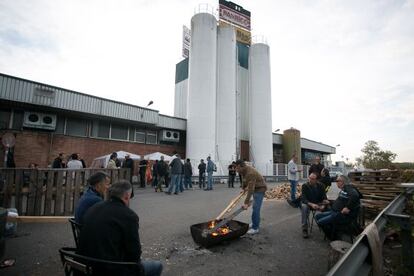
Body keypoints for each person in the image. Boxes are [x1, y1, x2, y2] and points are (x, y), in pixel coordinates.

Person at [78, 180, 163, 276]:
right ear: (126, 196)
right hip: (107, 270)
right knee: (157, 266)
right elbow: (134, 253)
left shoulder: (94, 208)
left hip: (82, 267)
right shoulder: (128, 215)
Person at [315, 175, 361, 240]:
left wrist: (348, 207)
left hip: (341, 215)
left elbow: (355, 195)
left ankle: (333, 237)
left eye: (337, 181)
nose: (336, 182)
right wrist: (329, 202)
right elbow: (340, 202)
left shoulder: (348, 188)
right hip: (334, 211)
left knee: (320, 222)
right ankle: (334, 232)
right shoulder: (343, 190)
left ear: (342, 182)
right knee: (317, 216)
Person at [235, 159, 267, 235]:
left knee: (256, 208)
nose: (236, 169)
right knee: (254, 207)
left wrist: (246, 203)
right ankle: (254, 223)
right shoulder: (243, 171)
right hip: (255, 187)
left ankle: (255, 228)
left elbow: (251, 189)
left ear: (240, 166)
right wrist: (243, 189)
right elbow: (244, 180)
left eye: (236, 168)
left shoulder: (250, 173)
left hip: (260, 189)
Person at [300, 173, 329, 238]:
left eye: (312, 179)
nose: (310, 180)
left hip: (318, 203)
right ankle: (304, 229)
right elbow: (303, 198)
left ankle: (327, 227)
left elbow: (324, 198)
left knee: (329, 207)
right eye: (309, 178)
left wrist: (323, 205)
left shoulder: (321, 186)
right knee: (304, 207)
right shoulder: (305, 186)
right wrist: (311, 204)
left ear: (316, 180)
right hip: (309, 203)